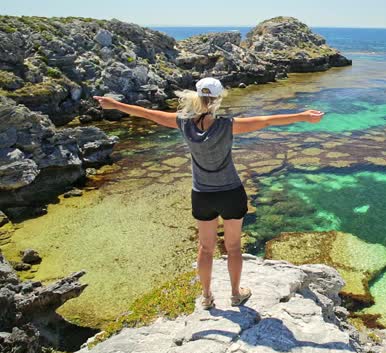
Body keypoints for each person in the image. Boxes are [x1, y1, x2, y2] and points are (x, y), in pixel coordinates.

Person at [93, 77, 324, 308]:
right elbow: (265, 121)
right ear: (218, 98)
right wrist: (302, 116)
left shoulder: (183, 124)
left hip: (202, 194)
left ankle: (206, 297)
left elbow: (147, 113)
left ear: (197, 96)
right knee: (233, 247)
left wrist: (115, 105)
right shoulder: (227, 125)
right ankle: (235, 294)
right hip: (231, 193)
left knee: (205, 248)